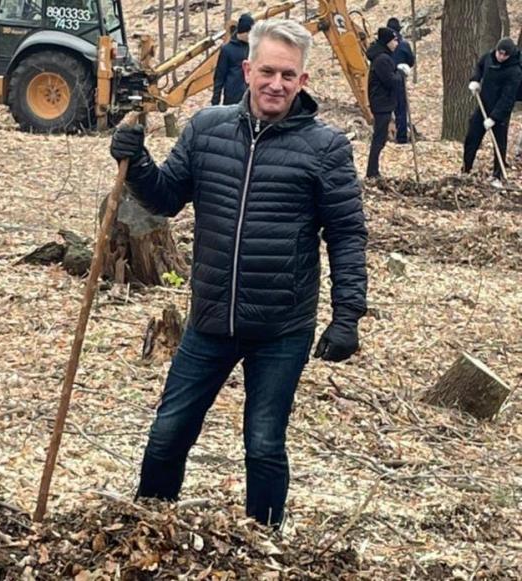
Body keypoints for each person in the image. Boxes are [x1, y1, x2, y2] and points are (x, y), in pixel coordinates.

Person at [110, 19, 367, 529]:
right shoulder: (207, 128)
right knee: (168, 433)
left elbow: (346, 233)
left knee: (264, 443)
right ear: (248, 70)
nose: (276, 83)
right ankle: (147, 528)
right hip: (209, 319)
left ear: (304, 81)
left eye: (288, 75)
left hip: (281, 327)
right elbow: (166, 198)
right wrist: (136, 161)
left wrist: (348, 316)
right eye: (267, 71)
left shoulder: (326, 147)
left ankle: (261, 542)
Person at [463, 37, 522, 187]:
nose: (500, 57)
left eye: (504, 55)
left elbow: (508, 98)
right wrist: (475, 80)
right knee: (472, 137)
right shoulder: (489, 57)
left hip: (500, 111)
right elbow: (480, 66)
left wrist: (494, 117)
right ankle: (466, 169)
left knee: (499, 143)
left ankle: (497, 175)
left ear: (510, 55)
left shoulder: (515, 71)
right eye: (499, 53)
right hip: (484, 104)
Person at [365, 27, 409, 178]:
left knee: (380, 138)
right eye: (394, 40)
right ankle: (372, 172)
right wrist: (401, 74)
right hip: (381, 102)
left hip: (382, 102)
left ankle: (373, 171)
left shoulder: (382, 56)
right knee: (379, 138)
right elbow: (391, 81)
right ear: (387, 41)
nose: (396, 43)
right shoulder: (382, 59)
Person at [211, 13, 254, 106]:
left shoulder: (253, 48)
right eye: (250, 33)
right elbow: (219, 76)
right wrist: (215, 101)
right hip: (232, 98)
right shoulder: (227, 49)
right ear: (243, 32)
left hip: (251, 97)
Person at [386, 17, 416, 144]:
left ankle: (385, 135)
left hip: (385, 80)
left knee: (385, 109)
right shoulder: (404, 45)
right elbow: (411, 61)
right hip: (399, 80)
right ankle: (402, 138)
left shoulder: (383, 44)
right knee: (401, 110)